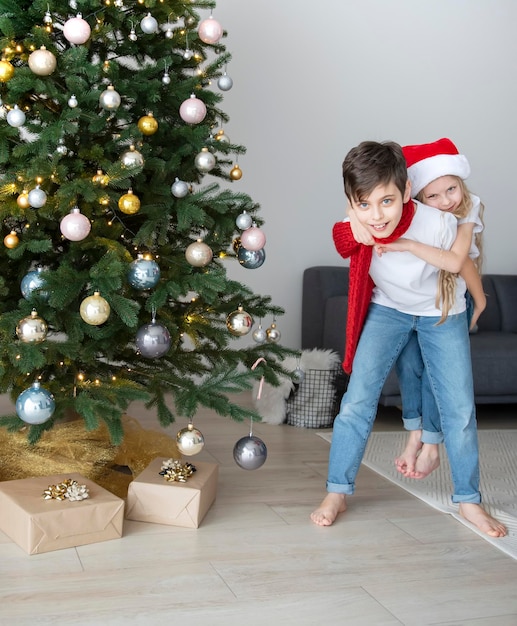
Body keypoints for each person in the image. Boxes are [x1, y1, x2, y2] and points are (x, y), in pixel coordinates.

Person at [310, 140, 506, 538]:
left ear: (405, 192)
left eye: (386, 201)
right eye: (363, 204)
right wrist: (356, 224)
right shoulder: (361, 224)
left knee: (460, 410)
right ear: (352, 203)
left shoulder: (437, 222)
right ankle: (337, 491)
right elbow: (342, 239)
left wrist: (479, 300)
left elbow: (460, 262)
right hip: (388, 310)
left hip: (441, 313)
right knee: (356, 401)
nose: (377, 215)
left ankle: (469, 500)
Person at [348, 138, 486, 479]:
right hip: (416, 302)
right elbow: (357, 219)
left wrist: (481, 300)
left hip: (453, 297)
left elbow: (460, 262)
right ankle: (415, 439)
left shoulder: (467, 208)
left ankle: (431, 444)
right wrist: (355, 215)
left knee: (438, 381)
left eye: (451, 190)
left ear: (461, 185)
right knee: (411, 367)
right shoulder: (423, 217)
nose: (445, 202)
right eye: (433, 196)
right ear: (419, 198)